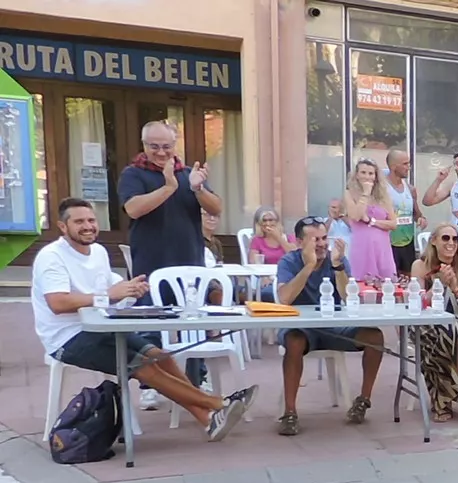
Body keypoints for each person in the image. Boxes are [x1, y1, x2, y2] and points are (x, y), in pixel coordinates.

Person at [33, 198, 252, 441]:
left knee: (159, 355)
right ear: (63, 227)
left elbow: (108, 291)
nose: (88, 226)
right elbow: (58, 303)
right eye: (79, 222)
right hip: (67, 338)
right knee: (142, 365)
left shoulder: (98, 252)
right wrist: (107, 295)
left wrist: (128, 290)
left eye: (91, 220)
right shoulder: (51, 257)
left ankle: (208, 419)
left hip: (102, 329)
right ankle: (218, 403)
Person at [120, 119, 220, 405]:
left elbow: (216, 208)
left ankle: (197, 379)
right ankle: (150, 385)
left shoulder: (190, 174)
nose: (161, 152)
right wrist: (168, 187)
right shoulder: (133, 173)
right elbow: (134, 209)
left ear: (175, 146)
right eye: (154, 146)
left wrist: (198, 189)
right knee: (149, 326)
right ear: (144, 146)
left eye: (166, 146)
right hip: (150, 263)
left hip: (190, 262)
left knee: (195, 324)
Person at [274, 217, 387, 435]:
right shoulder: (289, 261)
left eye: (324, 238)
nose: (322, 244)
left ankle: (363, 400)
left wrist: (338, 266)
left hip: (335, 327)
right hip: (302, 330)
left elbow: (347, 296)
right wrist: (308, 266)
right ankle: (289, 413)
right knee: (293, 341)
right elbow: (285, 298)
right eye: (314, 239)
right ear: (299, 243)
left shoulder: (336, 259)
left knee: (375, 336)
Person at [409, 223, 458, 420]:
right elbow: (416, 303)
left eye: (455, 239)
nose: (451, 243)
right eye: (445, 238)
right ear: (433, 241)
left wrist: (456, 288)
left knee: (453, 333)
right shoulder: (420, 266)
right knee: (448, 335)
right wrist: (438, 284)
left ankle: (442, 401)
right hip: (424, 325)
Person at [343, 159, 398, 283]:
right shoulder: (349, 193)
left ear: (376, 176)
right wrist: (365, 193)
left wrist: (371, 221)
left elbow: (393, 224)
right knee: (362, 283)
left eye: (370, 173)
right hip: (362, 246)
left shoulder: (384, 196)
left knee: (387, 283)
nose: (367, 176)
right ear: (356, 175)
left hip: (382, 247)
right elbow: (356, 216)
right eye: (363, 172)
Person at [384, 149, 426, 274]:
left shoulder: (410, 188)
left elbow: (416, 214)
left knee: (409, 279)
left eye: (409, 163)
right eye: (405, 164)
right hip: (389, 243)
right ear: (393, 166)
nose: (409, 167)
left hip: (408, 242)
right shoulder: (382, 188)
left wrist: (421, 219)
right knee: (391, 280)